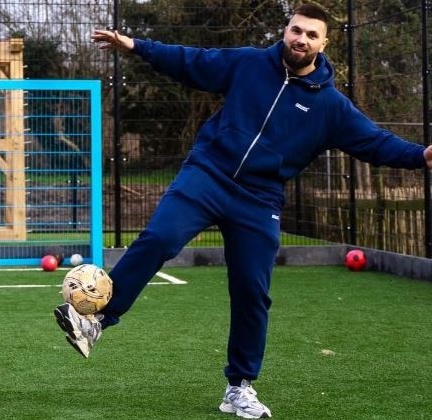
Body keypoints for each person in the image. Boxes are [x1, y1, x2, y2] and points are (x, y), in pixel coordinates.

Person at [54, 3, 432, 419]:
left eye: (310, 35)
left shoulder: (331, 107)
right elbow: (191, 61)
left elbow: (375, 143)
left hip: (259, 200)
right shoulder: (250, 64)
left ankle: (239, 387)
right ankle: (98, 320)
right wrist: (136, 46)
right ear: (285, 31)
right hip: (208, 174)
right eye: (296, 30)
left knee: (253, 291)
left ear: (324, 44)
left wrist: (421, 156)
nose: (300, 39)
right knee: (160, 238)